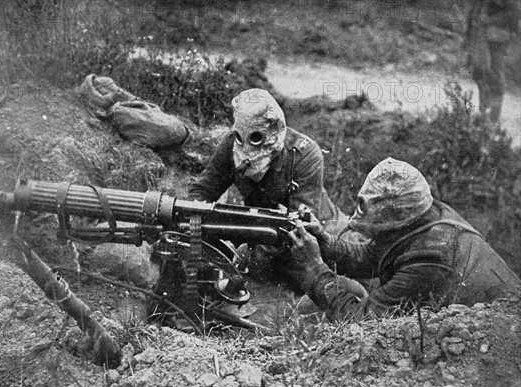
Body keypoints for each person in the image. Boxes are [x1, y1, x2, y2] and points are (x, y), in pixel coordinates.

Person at [287, 157, 520, 321]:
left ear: (395, 221)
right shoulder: (421, 215)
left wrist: (314, 269)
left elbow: (364, 322)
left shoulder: (432, 255)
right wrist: (323, 241)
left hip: (500, 327)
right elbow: (370, 256)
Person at [188, 88, 347, 288]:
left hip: (315, 237)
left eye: (255, 137)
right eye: (239, 135)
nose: (245, 145)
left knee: (323, 292)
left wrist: (243, 253)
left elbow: (298, 227)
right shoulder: (231, 146)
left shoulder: (304, 155)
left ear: (274, 128)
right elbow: (203, 190)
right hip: (263, 234)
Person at [466, 0, 520, 122]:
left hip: (500, 36)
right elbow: (475, 10)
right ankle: (484, 112)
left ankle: (492, 116)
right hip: (481, 33)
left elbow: (514, 15)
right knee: (480, 70)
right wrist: (468, 36)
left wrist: (490, 21)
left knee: (495, 74)